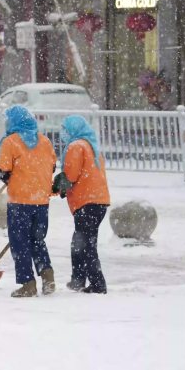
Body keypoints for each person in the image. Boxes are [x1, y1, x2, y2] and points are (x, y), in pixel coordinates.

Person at [0, 105, 57, 297]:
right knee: (37, 239)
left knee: (19, 242)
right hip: (41, 200)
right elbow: (53, 166)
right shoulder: (45, 141)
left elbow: (3, 170)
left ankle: (27, 283)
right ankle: (47, 276)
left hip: (19, 201)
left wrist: (10, 178)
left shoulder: (10, 142)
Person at [53, 115, 110, 294]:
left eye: (64, 128)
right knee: (81, 242)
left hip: (86, 201)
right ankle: (78, 279)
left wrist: (52, 189)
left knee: (85, 244)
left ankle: (97, 284)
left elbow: (70, 176)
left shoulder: (76, 146)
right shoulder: (92, 146)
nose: (62, 132)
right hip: (99, 201)